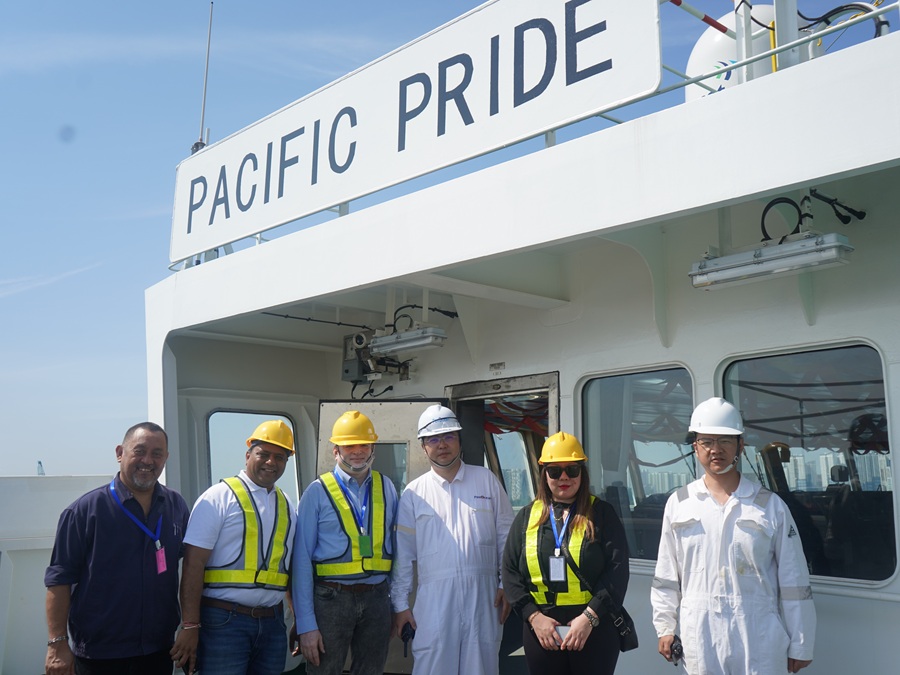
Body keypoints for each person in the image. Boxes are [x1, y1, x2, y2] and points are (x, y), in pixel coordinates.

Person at [651, 397, 816, 674]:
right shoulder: (679, 504)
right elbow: (667, 574)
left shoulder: (769, 506)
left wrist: (801, 642)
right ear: (695, 447)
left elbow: (794, 579)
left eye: (725, 440)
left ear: (740, 445)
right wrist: (665, 626)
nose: (716, 449)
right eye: (706, 441)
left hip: (758, 633)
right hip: (701, 635)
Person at [44, 422, 189, 675]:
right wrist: (57, 644)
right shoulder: (84, 511)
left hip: (158, 649)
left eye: (157, 453)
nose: (148, 460)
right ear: (120, 452)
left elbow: (188, 568)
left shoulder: (176, 505)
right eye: (139, 451)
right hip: (100, 654)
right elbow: (59, 580)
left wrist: (190, 627)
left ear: (166, 458)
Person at [391, 404, 515, 675]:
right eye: (433, 439)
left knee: (481, 668)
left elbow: (507, 537)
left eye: (448, 436)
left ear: (459, 440)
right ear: (423, 446)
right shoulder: (414, 494)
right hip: (434, 601)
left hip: (484, 599)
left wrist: (506, 583)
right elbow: (403, 556)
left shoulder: (486, 481)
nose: (442, 445)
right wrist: (400, 606)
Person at [171, 420, 297, 675]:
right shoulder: (217, 497)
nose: (271, 462)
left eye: (280, 457)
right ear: (248, 454)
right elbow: (193, 565)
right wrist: (190, 626)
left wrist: (300, 619)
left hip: (272, 624)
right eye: (264, 454)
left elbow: (290, 569)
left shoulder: (288, 506)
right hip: (223, 622)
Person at [502, 431, 629, 675]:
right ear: (544, 474)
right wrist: (533, 617)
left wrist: (589, 618)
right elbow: (509, 571)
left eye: (572, 470)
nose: (564, 477)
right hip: (542, 630)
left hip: (593, 628)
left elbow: (618, 572)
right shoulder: (526, 517)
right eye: (554, 471)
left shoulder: (602, 514)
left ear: (582, 472)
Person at [290, 410, 399, 674]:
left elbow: (397, 552)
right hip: (330, 600)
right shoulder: (316, 492)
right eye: (350, 445)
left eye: (364, 444)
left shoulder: (388, 488)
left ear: (373, 448)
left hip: (376, 600)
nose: (358, 451)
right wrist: (306, 625)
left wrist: (396, 606)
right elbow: (301, 561)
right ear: (336, 450)